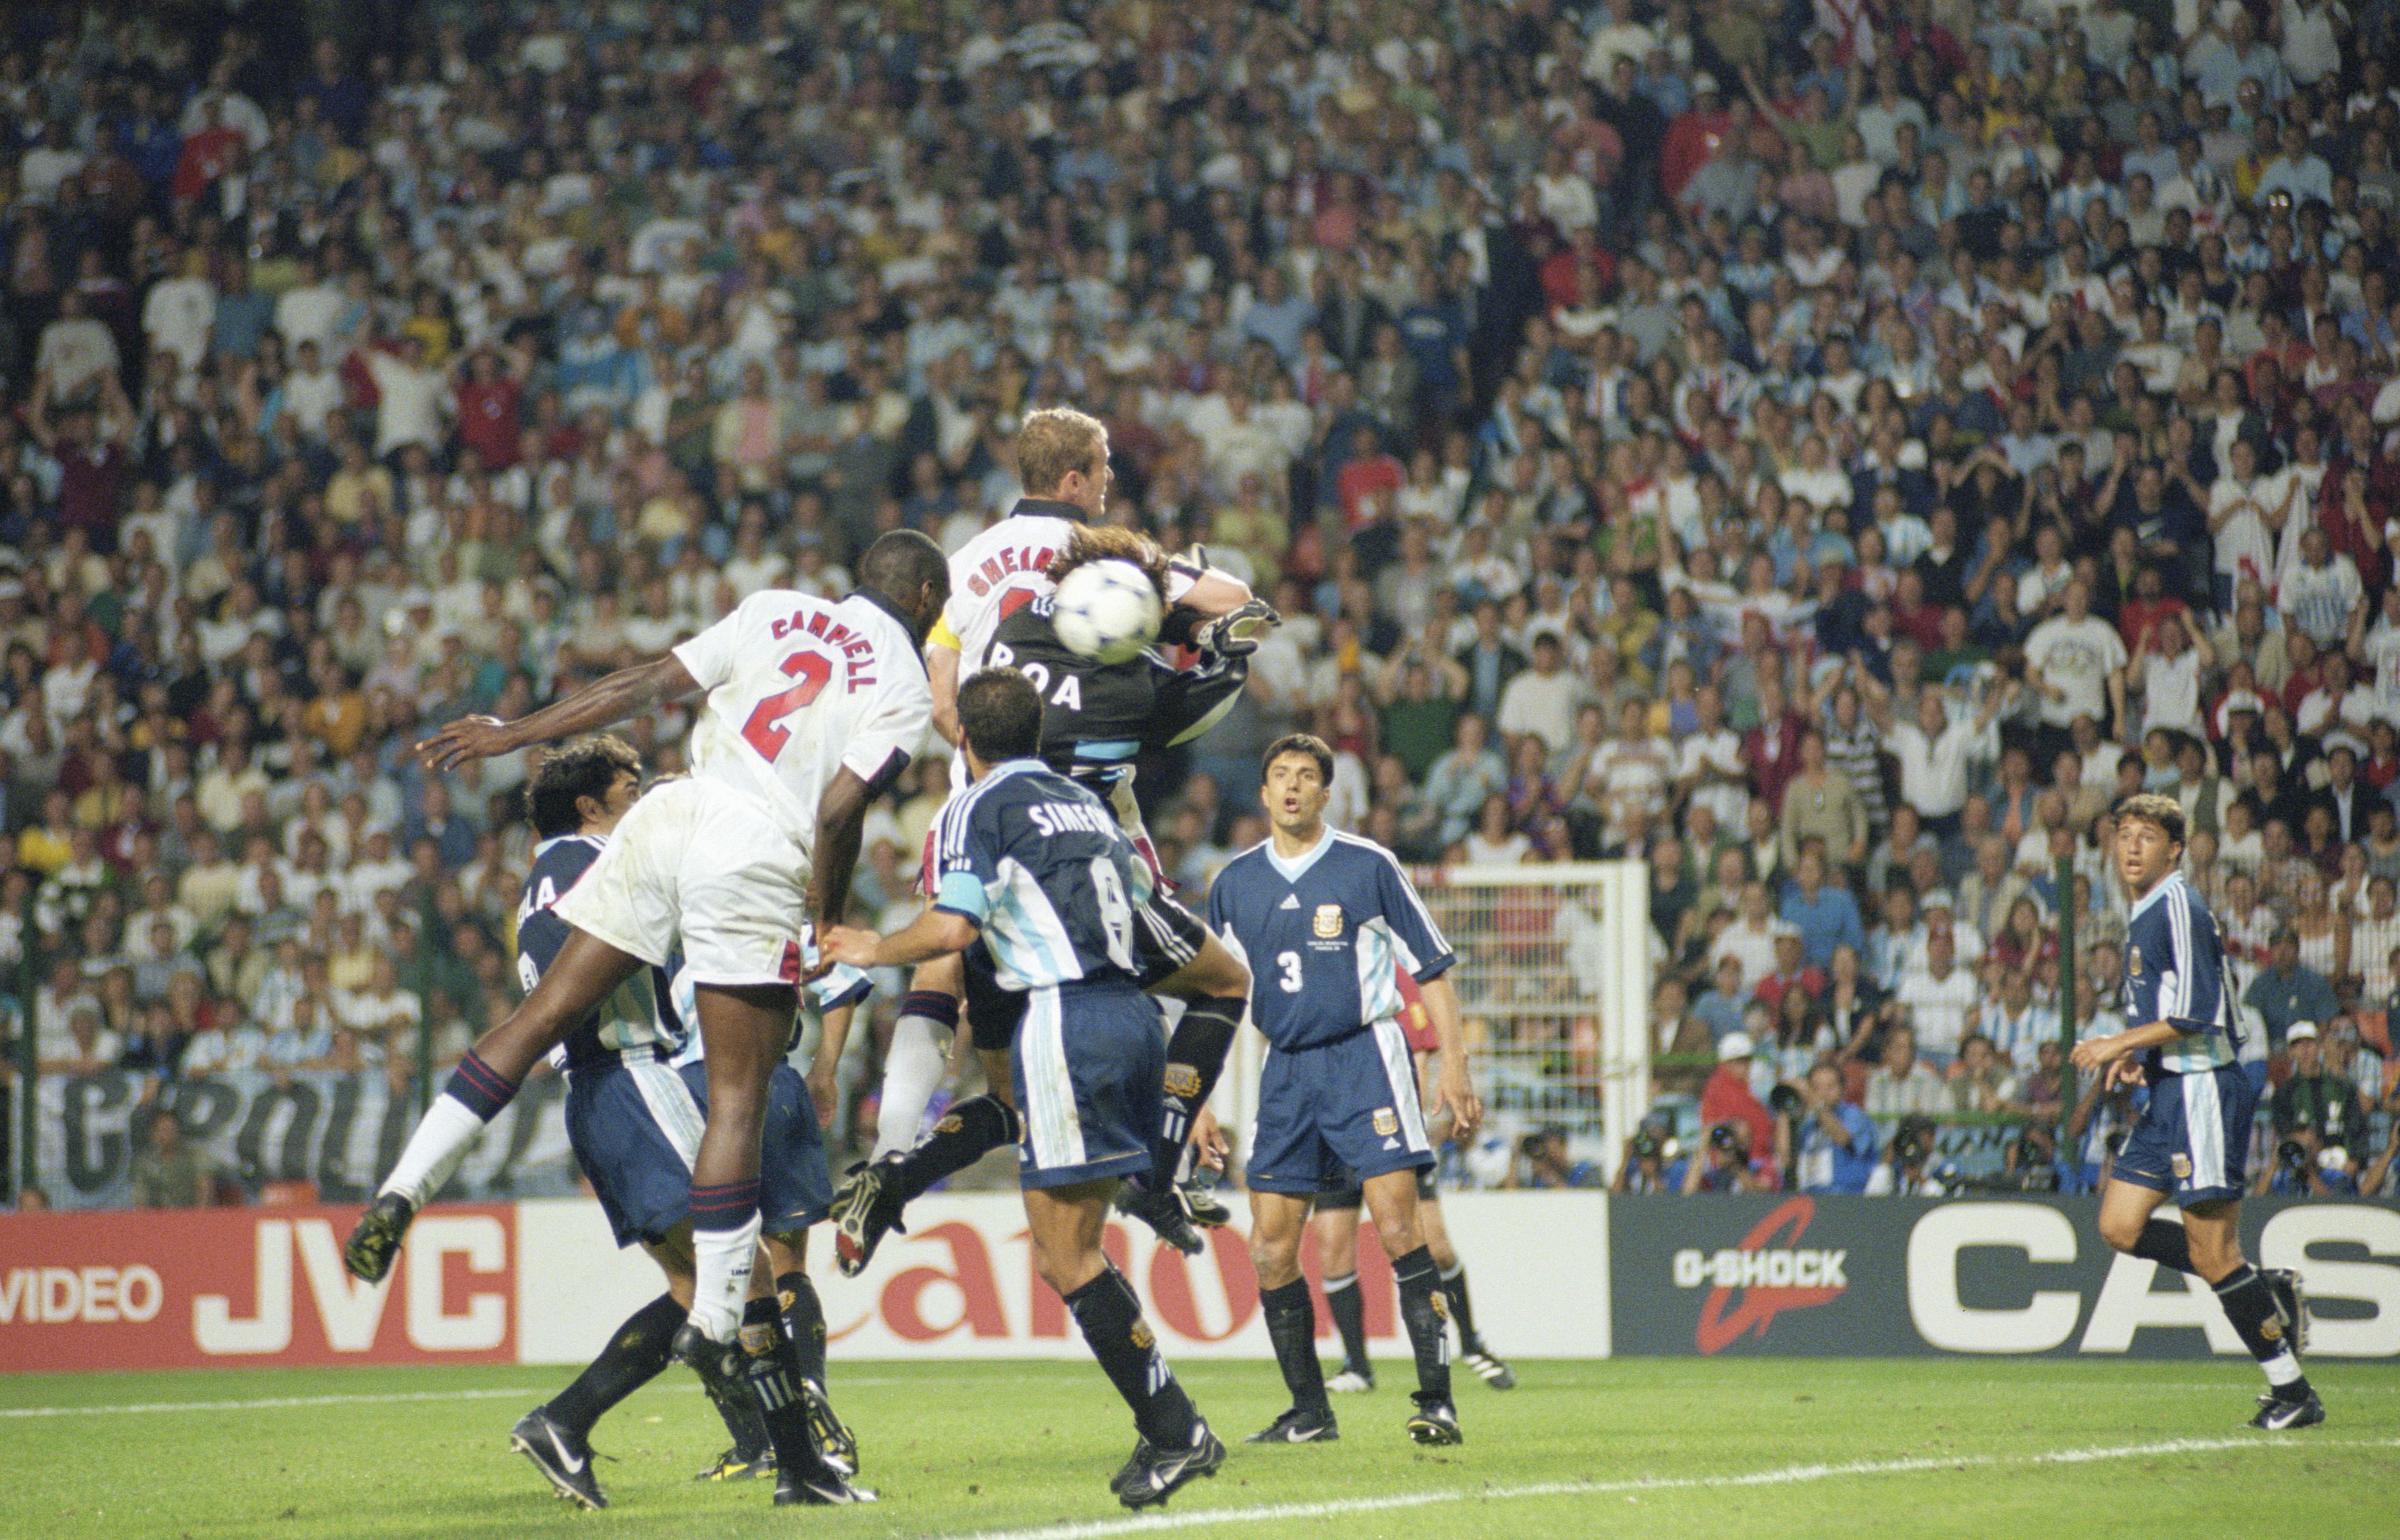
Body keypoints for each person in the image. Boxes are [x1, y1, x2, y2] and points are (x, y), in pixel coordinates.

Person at [344, 529, 951, 1507]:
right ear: (925, 594)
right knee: (738, 1098)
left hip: (677, 809)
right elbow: (840, 809)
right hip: (756, 853)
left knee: (542, 1012)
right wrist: (824, 917)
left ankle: (407, 1185)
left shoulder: (774, 607)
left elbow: (640, 684)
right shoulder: (907, 681)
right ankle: (712, 1315)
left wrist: (518, 732)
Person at [821, 669, 1223, 1510]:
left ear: (959, 737)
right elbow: (1170, 932)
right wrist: (1184, 1104)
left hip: (1064, 1016)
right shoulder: (1086, 807)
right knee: (1069, 1248)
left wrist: (867, 945)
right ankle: (1172, 1421)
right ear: (1038, 731)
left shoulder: (975, 807)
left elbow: (953, 927)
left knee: (1063, 1255)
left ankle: (1177, 1428)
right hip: (1135, 1015)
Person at [859, 408, 1256, 1252]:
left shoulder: (963, 562)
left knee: (954, 987)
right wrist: (1193, 617)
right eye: (1104, 466)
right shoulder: (1108, 558)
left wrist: (987, 746)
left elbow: (938, 702)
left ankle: (889, 1159)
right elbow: (1230, 601)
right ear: (1075, 480)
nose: (1110, 480)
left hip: (980, 803)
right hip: (1087, 819)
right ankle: (1162, 1164)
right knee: (1174, 982)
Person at [498, 736, 860, 1506]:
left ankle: (577, 1427)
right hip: (633, 1079)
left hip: (602, 1096)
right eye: (632, 788)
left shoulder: (542, 880)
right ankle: (793, 1464)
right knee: (747, 1268)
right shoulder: (594, 865)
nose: (646, 798)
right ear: (590, 807)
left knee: (706, 1285)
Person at [1206, 733, 1481, 1448]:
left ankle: (1438, 1402)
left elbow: (1433, 968)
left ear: (1328, 794)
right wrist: (1197, 1095)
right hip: (1286, 1068)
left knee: (1397, 1229)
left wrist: (1454, 1064)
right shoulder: (1234, 884)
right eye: (1280, 776)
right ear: (1263, 794)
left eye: (1306, 777)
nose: (1292, 787)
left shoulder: (1368, 867)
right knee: (1270, 1249)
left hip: (1366, 1058)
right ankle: (1309, 1411)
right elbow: (1217, 999)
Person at [2071, 793, 2320, 1431]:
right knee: (2120, 1226)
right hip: (2170, 1089)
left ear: (2174, 850)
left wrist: (2114, 1045)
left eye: (2147, 836)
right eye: (2124, 834)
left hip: (2205, 1088)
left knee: (2213, 1254)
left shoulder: (2178, 903)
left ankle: (2293, 1392)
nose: (2131, 847)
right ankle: (2261, 1286)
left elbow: (2197, 1015)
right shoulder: (2145, 911)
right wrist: (2139, 1062)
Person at [1310, 968, 1516, 1397]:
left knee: (1435, 1245)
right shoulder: (1316, 969)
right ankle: (1357, 1365)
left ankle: (1473, 1343)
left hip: (1387, 1128)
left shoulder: (1394, 976)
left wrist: (1409, 1119)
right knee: (1332, 1248)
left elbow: (1418, 1056)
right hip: (1331, 1131)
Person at [127, 1107, 217, 1208]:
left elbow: (205, 1188)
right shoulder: (145, 1163)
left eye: (170, 1130)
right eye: (161, 1130)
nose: (166, 1135)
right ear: (153, 1133)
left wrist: (198, 1218)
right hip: (158, 1219)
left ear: (178, 1131)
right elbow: (140, 1199)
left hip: (191, 1215)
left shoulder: (195, 1155)